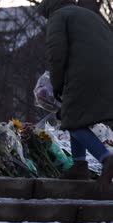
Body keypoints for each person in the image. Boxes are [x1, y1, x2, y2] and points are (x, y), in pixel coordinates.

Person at [37, 0, 113, 186]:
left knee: (70, 120)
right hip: (107, 72)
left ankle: (106, 158)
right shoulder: (88, 14)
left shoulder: (59, 16)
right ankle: (79, 165)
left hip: (84, 74)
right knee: (75, 116)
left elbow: (57, 54)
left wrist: (56, 86)